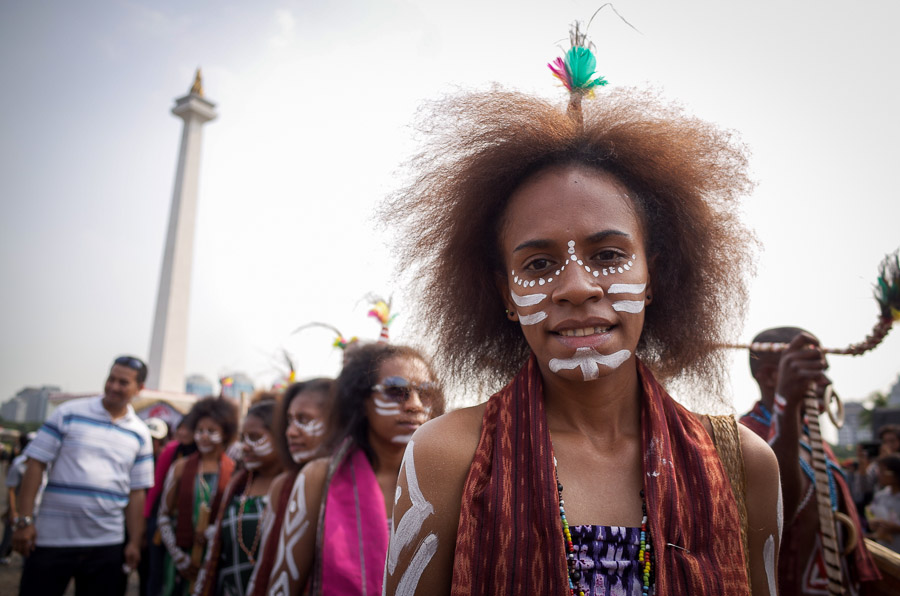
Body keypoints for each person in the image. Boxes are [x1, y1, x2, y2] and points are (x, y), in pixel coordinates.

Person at [378, 78, 782, 594]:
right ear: (505, 292)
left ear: (652, 276)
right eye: (540, 264)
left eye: (609, 255)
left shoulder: (743, 464)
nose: (576, 286)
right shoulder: (446, 455)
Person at [266, 343, 444, 594]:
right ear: (362, 401)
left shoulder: (445, 480)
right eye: (396, 391)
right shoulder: (318, 477)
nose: (414, 405)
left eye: (425, 393)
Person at [743, 327, 880, 594]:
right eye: (812, 370)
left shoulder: (812, 435)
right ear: (772, 377)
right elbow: (777, 514)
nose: (826, 382)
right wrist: (786, 406)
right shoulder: (744, 438)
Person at [13, 355, 154, 596]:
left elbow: (137, 491)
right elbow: (35, 465)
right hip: (51, 538)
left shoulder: (140, 433)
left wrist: (133, 541)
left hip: (106, 543)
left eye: (123, 382)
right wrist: (24, 521)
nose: (114, 387)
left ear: (139, 388)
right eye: (111, 379)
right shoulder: (68, 413)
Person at [246, 377, 334, 596]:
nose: (290, 432)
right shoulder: (282, 486)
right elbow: (264, 568)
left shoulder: (369, 486)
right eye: (289, 421)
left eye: (304, 420)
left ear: (337, 422)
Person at [193, 399, 283, 596]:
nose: (245, 446)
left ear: (280, 438)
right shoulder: (238, 484)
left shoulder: (294, 490)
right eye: (243, 439)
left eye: (255, 437)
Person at [158, 397, 238, 595]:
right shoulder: (180, 467)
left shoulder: (235, 472)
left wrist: (213, 533)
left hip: (215, 559)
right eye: (200, 431)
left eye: (211, 432)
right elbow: (163, 516)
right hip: (180, 558)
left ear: (225, 434)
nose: (203, 437)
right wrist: (179, 557)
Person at [145, 416, 198, 596]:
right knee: (157, 571)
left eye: (187, 429)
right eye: (180, 428)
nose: (183, 433)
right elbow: (157, 486)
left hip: (190, 523)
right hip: (162, 518)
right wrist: (148, 518)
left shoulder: (205, 457)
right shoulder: (172, 451)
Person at [868, 453, 900, 552]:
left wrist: (894, 527)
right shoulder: (880, 495)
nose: (879, 475)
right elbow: (871, 516)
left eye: (883, 471)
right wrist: (874, 523)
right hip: (884, 550)